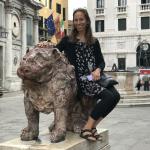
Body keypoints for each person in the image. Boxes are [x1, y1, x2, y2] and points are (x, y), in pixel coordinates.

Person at [56, 8, 120, 141]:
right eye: (76, 20)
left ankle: (91, 127)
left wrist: (97, 70)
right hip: (81, 80)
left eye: (81, 19)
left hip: (94, 77)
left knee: (116, 96)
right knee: (108, 97)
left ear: (87, 21)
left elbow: (101, 62)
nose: (78, 22)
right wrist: (44, 46)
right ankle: (87, 129)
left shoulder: (94, 42)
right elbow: (54, 52)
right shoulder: (67, 40)